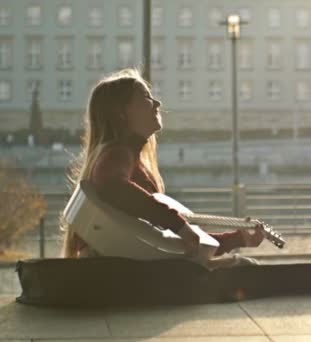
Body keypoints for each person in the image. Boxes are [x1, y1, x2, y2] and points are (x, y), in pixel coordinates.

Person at [61, 68, 264, 268]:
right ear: (121, 112)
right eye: (147, 98)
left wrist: (238, 239)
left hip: (120, 275)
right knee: (244, 267)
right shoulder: (117, 154)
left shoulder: (125, 157)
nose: (157, 104)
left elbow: (168, 245)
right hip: (116, 279)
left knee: (243, 266)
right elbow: (112, 185)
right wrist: (179, 225)